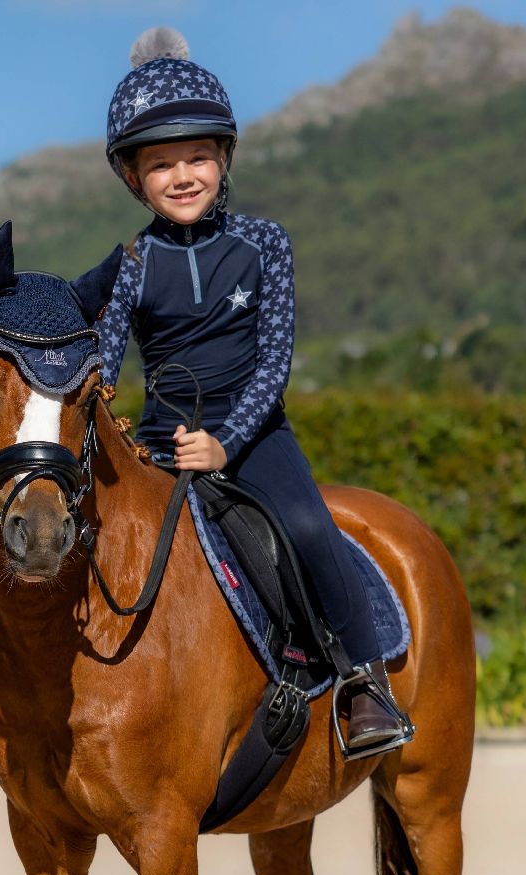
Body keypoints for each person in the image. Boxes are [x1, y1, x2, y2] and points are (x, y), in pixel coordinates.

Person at [99, 27, 410, 756]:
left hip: (254, 433)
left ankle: (364, 682)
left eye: (198, 157)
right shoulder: (130, 263)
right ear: (132, 178)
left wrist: (226, 444)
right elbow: (106, 363)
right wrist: (99, 400)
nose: (182, 175)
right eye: (161, 163)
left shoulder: (266, 243)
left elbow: (275, 364)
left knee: (306, 526)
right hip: (163, 442)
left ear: (225, 158)